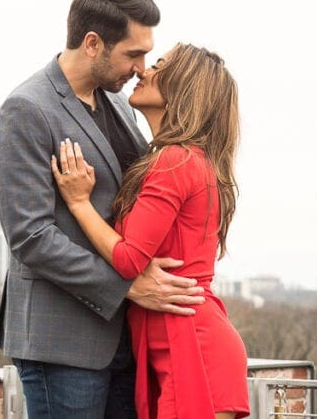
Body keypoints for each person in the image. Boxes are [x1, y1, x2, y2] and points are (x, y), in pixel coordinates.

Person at [0, 0, 207, 419]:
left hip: (125, 342)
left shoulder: (122, 106)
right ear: (92, 43)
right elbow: (30, 237)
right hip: (62, 345)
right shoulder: (26, 110)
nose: (143, 67)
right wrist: (127, 286)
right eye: (133, 54)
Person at [52, 43, 250, 419]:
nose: (143, 70)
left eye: (158, 65)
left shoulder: (176, 161)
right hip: (180, 344)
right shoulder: (184, 159)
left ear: (182, 87)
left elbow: (128, 259)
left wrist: (78, 203)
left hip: (192, 348)